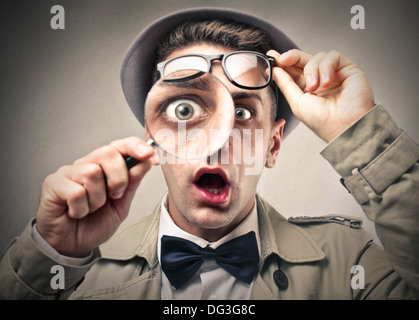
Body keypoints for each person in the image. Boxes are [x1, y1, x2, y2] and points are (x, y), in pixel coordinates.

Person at [0, 7, 418, 300]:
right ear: (154, 139)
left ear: (272, 146)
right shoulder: (77, 270)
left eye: (240, 111)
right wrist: (49, 255)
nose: (216, 140)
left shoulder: (350, 263)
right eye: (185, 110)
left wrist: (363, 137)